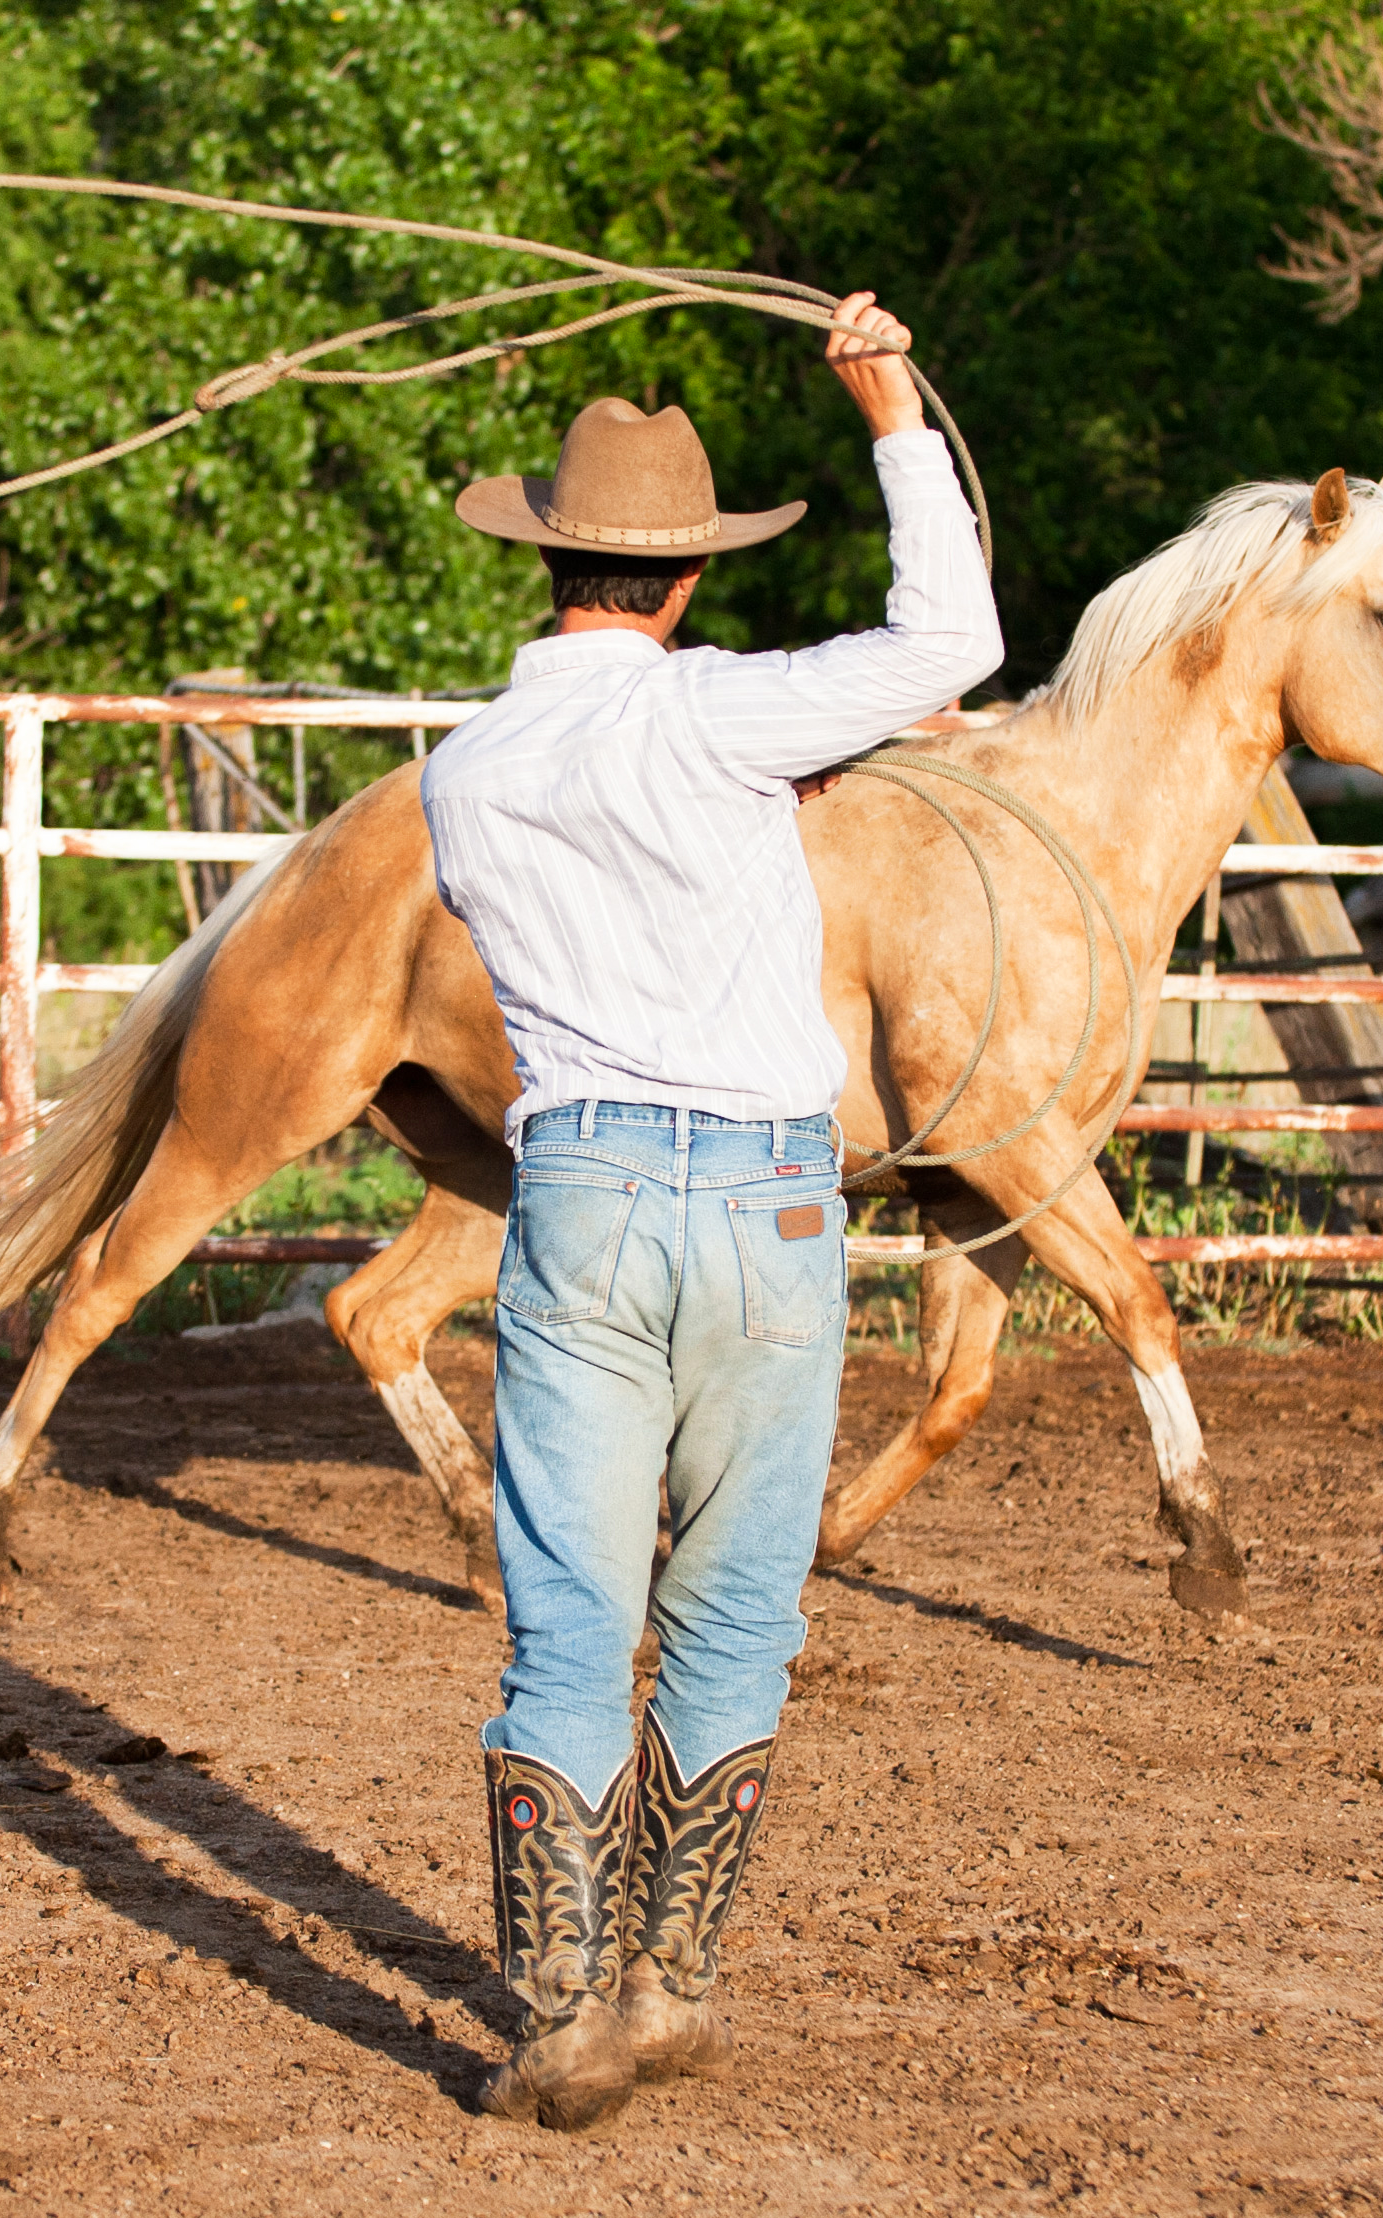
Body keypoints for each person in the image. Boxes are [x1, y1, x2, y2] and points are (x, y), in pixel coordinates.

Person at [420, 292, 1002, 2131]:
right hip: (768, 1204)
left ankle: (566, 2009)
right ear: (679, 578)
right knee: (741, 1614)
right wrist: (887, 400)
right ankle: (675, 1980)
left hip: (582, 1187)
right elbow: (957, 634)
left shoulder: (465, 772)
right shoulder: (729, 715)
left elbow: (609, 823)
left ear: (554, 559)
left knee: (569, 1626)